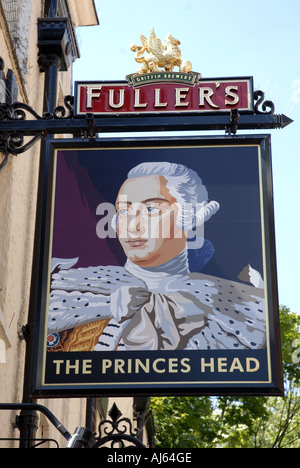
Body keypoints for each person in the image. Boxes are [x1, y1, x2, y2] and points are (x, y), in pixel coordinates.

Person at [47, 162, 266, 352]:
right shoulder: (68, 286)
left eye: (151, 210)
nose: (133, 226)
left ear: (190, 217)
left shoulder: (242, 306)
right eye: (123, 212)